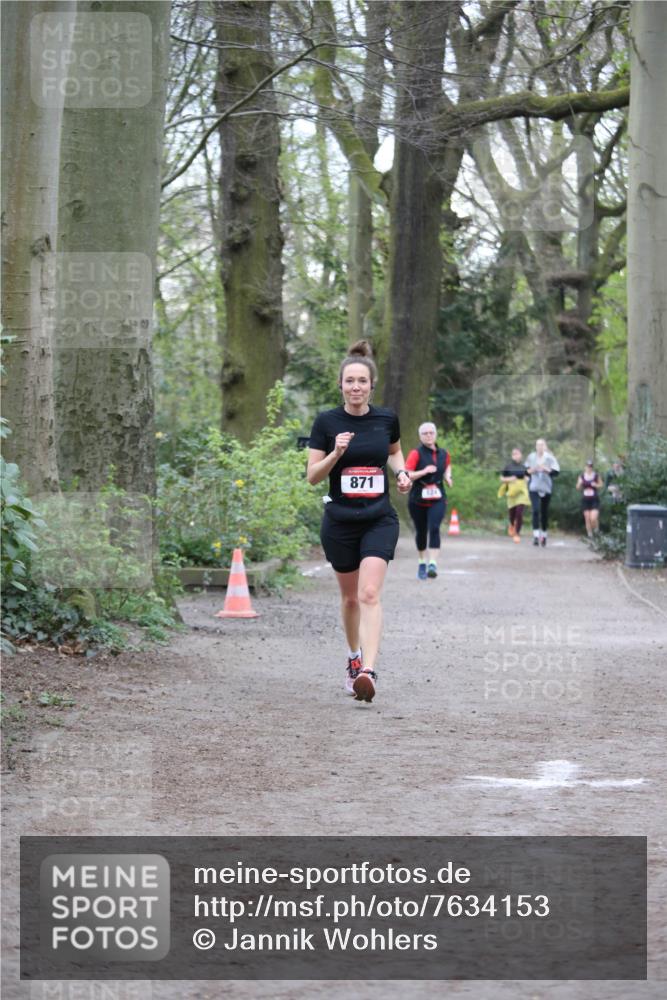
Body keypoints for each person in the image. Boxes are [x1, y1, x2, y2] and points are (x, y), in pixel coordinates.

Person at [307, 340, 411, 703]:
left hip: (378, 519)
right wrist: (336, 452)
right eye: (349, 381)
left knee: (369, 593)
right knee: (350, 599)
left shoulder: (386, 418)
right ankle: (353, 658)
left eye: (361, 381)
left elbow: (395, 453)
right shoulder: (326, 422)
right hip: (339, 522)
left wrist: (402, 474)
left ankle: (368, 669)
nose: (355, 387)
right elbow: (312, 477)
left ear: (371, 385)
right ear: (340, 385)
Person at [404, 422, 452, 578]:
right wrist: (423, 471)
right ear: (420, 436)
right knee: (421, 532)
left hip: (438, 496)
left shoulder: (444, 453)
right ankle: (421, 561)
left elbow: (447, 466)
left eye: (431, 432)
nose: (429, 435)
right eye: (425, 433)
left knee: (435, 527)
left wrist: (448, 477)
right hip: (418, 498)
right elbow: (407, 474)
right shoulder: (416, 453)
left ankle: (433, 564)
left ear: (436, 434)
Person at [525, 438, 560, 547]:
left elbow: (556, 472)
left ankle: (544, 535)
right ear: (535, 446)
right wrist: (534, 469)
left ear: (545, 446)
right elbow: (526, 471)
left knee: (544, 512)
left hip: (546, 488)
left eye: (541, 445)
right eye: (538, 445)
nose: (539, 447)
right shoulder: (531, 457)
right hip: (534, 487)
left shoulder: (550, 458)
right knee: (535, 510)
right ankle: (536, 536)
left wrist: (546, 469)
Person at [498, 447, 530, 543]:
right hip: (511, 493)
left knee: (519, 512)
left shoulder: (524, 467)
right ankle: (512, 525)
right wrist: (510, 479)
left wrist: (527, 479)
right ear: (512, 456)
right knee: (512, 514)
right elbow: (501, 478)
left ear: (521, 455)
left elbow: (528, 478)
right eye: (514, 454)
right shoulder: (508, 467)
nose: (515, 455)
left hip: (521, 493)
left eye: (517, 453)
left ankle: (517, 533)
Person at [576, 459, 603, 537]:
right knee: (587, 518)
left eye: (590, 467)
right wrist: (580, 484)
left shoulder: (596, 475)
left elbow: (601, 485)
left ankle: (596, 531)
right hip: (585, 500)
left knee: (593, 518)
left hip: (594, 499)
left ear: (592, 468)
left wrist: (596, 485)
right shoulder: (582, 476)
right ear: (585, 467)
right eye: (588, 466)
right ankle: (590, 535)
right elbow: (577, 487)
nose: (589, 468)